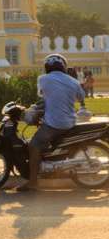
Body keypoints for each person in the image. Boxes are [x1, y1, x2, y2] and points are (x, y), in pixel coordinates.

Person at [18, 53, 86, 192]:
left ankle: (32, 182)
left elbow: (42, 97)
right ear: (64, 66)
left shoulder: (43, 79)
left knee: (34, 145)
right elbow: (81, 97)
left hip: (55, 123)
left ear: (47, 67)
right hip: (71, 122)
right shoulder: (73, 81)